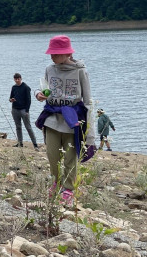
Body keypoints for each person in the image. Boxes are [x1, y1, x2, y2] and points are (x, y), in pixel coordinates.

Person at [34, 35, 96, 207]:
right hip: (52, 117)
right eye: (51, 53)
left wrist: (90, 132)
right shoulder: (49, 68)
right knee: (52, 155)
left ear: (67, 53)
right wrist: (38, 95)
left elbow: (88, 100)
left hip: (72, 119)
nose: (52, 57)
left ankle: (68, 189)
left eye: (55, 53)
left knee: (70, 157)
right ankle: (56, 182)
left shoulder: (80, 71)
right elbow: (44, 90)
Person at [9, 72, 40, 149]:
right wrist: (11, 100)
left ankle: (35, 144)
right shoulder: (14, 87)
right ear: (14, 79)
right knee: (18, 126)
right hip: (15, 109)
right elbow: (10, 98)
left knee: (28, 127)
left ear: (21, 79)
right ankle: (20, 143)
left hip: (23, 110)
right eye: (15, 79)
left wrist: (27, 111)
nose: (17, 80)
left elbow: (29, 100)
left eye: (18, 79)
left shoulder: (26, 87)